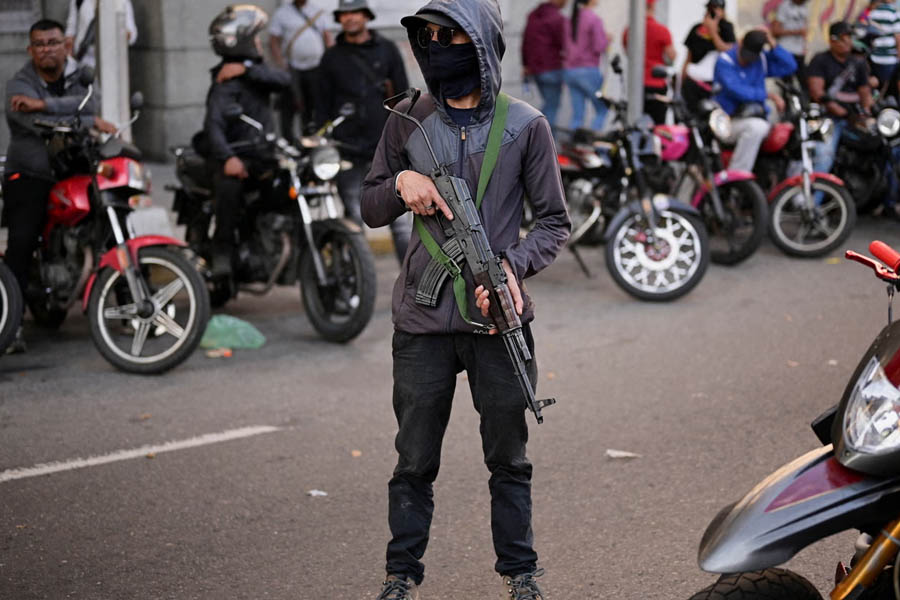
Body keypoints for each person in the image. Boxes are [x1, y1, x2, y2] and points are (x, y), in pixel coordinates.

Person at [361, 0, 571, 597]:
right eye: (427, 37)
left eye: (449, 36)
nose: (436, 46)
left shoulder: (526, 125)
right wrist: (403, 182)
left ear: (479, 43)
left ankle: (521, 575)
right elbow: (370, 204)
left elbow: (555, 222)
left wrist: (512, 266)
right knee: (413, 462)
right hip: (422, 322)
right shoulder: (406, 120)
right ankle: (400, 577)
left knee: (509, 461)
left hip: (496, 317)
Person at [3, 19, 115, 354]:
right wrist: (77, 116)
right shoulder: (18, 83)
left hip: (73, 168)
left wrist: (46, 105)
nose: (46, 49)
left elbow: (91, 105)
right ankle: (11, 321)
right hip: (31, 172)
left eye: (53, 42)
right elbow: (37, 121)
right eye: (39, 44)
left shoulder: (78, 76)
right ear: (30, 50)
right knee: (21, 241)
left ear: (65, 46)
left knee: (109, 222)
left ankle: (124, 308)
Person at [317, 0, 411, 264]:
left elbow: (404, 98)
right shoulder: (331, 57)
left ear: (366, 16)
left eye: (355, 12)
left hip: (385, 148)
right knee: (354, 225)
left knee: (401, 224)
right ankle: (358, 284)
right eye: (344, 14)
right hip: (346, 151)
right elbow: (322, 106)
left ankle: (412, 283)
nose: (350, 18)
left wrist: (404, 138)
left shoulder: (388, 50)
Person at [202, 5, 291, 278]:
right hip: (237, 158)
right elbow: (212, 126)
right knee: (229, 189)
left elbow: (285, 80)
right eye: (254, 38)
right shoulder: (224, 84)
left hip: (263, 154)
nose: (258, 43)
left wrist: (246, 68)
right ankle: (222, 252)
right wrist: (228, 158)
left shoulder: (256, 73)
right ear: (238, 41)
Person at [713, 29, 796, 173]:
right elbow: (736, 90)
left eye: (751, 57)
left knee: (788, 133)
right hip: (728, 122)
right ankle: (737, 175)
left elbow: (790, 66)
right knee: (756, 127)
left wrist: (772, 43)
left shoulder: (760, 60)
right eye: (745, 55)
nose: (746, 61)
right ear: (740, 43)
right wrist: (768, 95)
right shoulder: (725, 61)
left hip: (757, 116)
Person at [806, 21, 873, 179]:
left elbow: (865, 93)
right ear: (832, 40)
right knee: (824, 156)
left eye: (850, 37)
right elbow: (817, 93)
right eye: (843, 38)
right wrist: (843, 113)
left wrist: (866, 115)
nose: (848, 42)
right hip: (829, 119)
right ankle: (812, 201)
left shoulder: (858, 63)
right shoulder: (820, 60)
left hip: (855, 118)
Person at [268, 0, 333, 139]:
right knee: (291, 105)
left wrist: (331, 63)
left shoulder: (317, 11)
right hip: (292, 69)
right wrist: (281, 64)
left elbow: (328, 37)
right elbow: (273, 41)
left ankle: (311, 141)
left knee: (314, 106)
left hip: (316, 68)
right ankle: (289, 142)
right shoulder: (282, 13)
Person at [623, 0, 676, 125]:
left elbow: (628, 53)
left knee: (635, 124)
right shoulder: (662, 30)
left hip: (636, 85)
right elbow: (671, 56)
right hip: (656, 84)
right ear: (653, 6)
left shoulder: (629, 31)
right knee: (658, 125)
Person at [563, 0, 610, 131]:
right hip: (587, 70)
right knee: (602, 109)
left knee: (577, 115)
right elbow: (599, 46)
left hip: (570, 71)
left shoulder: (570, 19)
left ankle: (574, 145)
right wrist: (607, 39)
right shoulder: (594, 19)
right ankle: (594, 142)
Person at [522, 0, 568, 130]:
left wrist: (525, 64)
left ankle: (536, 135)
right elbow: (565, 44)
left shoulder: (533, 15)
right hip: (552, 67)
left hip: (535, 68)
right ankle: (543, 140)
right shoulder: (558, 18)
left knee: (548, 103)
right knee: (551, 106)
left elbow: (526, 41)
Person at [682, 0, 736, 109]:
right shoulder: (696, 28)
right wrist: (682, 78)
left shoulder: (726, 28)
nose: (711, 12)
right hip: (693, 80)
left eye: (715, 9)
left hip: (714, 83)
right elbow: (689, 56)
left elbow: (729, 51)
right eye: (709, 9)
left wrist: (713, 31)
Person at [65, 0, 137, 71]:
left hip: (111, 63)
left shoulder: (121, 1)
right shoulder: (79, 1)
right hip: (83, 61)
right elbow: (71, 30)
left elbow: (131, 35)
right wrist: (70, 65)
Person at [856, 0, 900, 87]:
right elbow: (898, 38)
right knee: (888, 87)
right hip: (888, 59)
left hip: (872, 58)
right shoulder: (894, 13)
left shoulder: (870, 12)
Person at [771, 0, 809, 81]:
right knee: (786, 82)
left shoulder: (804, 6)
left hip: (799, 51)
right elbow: (775, 31)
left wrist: (804, 46)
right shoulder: (785, 6)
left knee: (803, 82)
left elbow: (804, 29)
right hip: (786, 50)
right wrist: (796, 32)